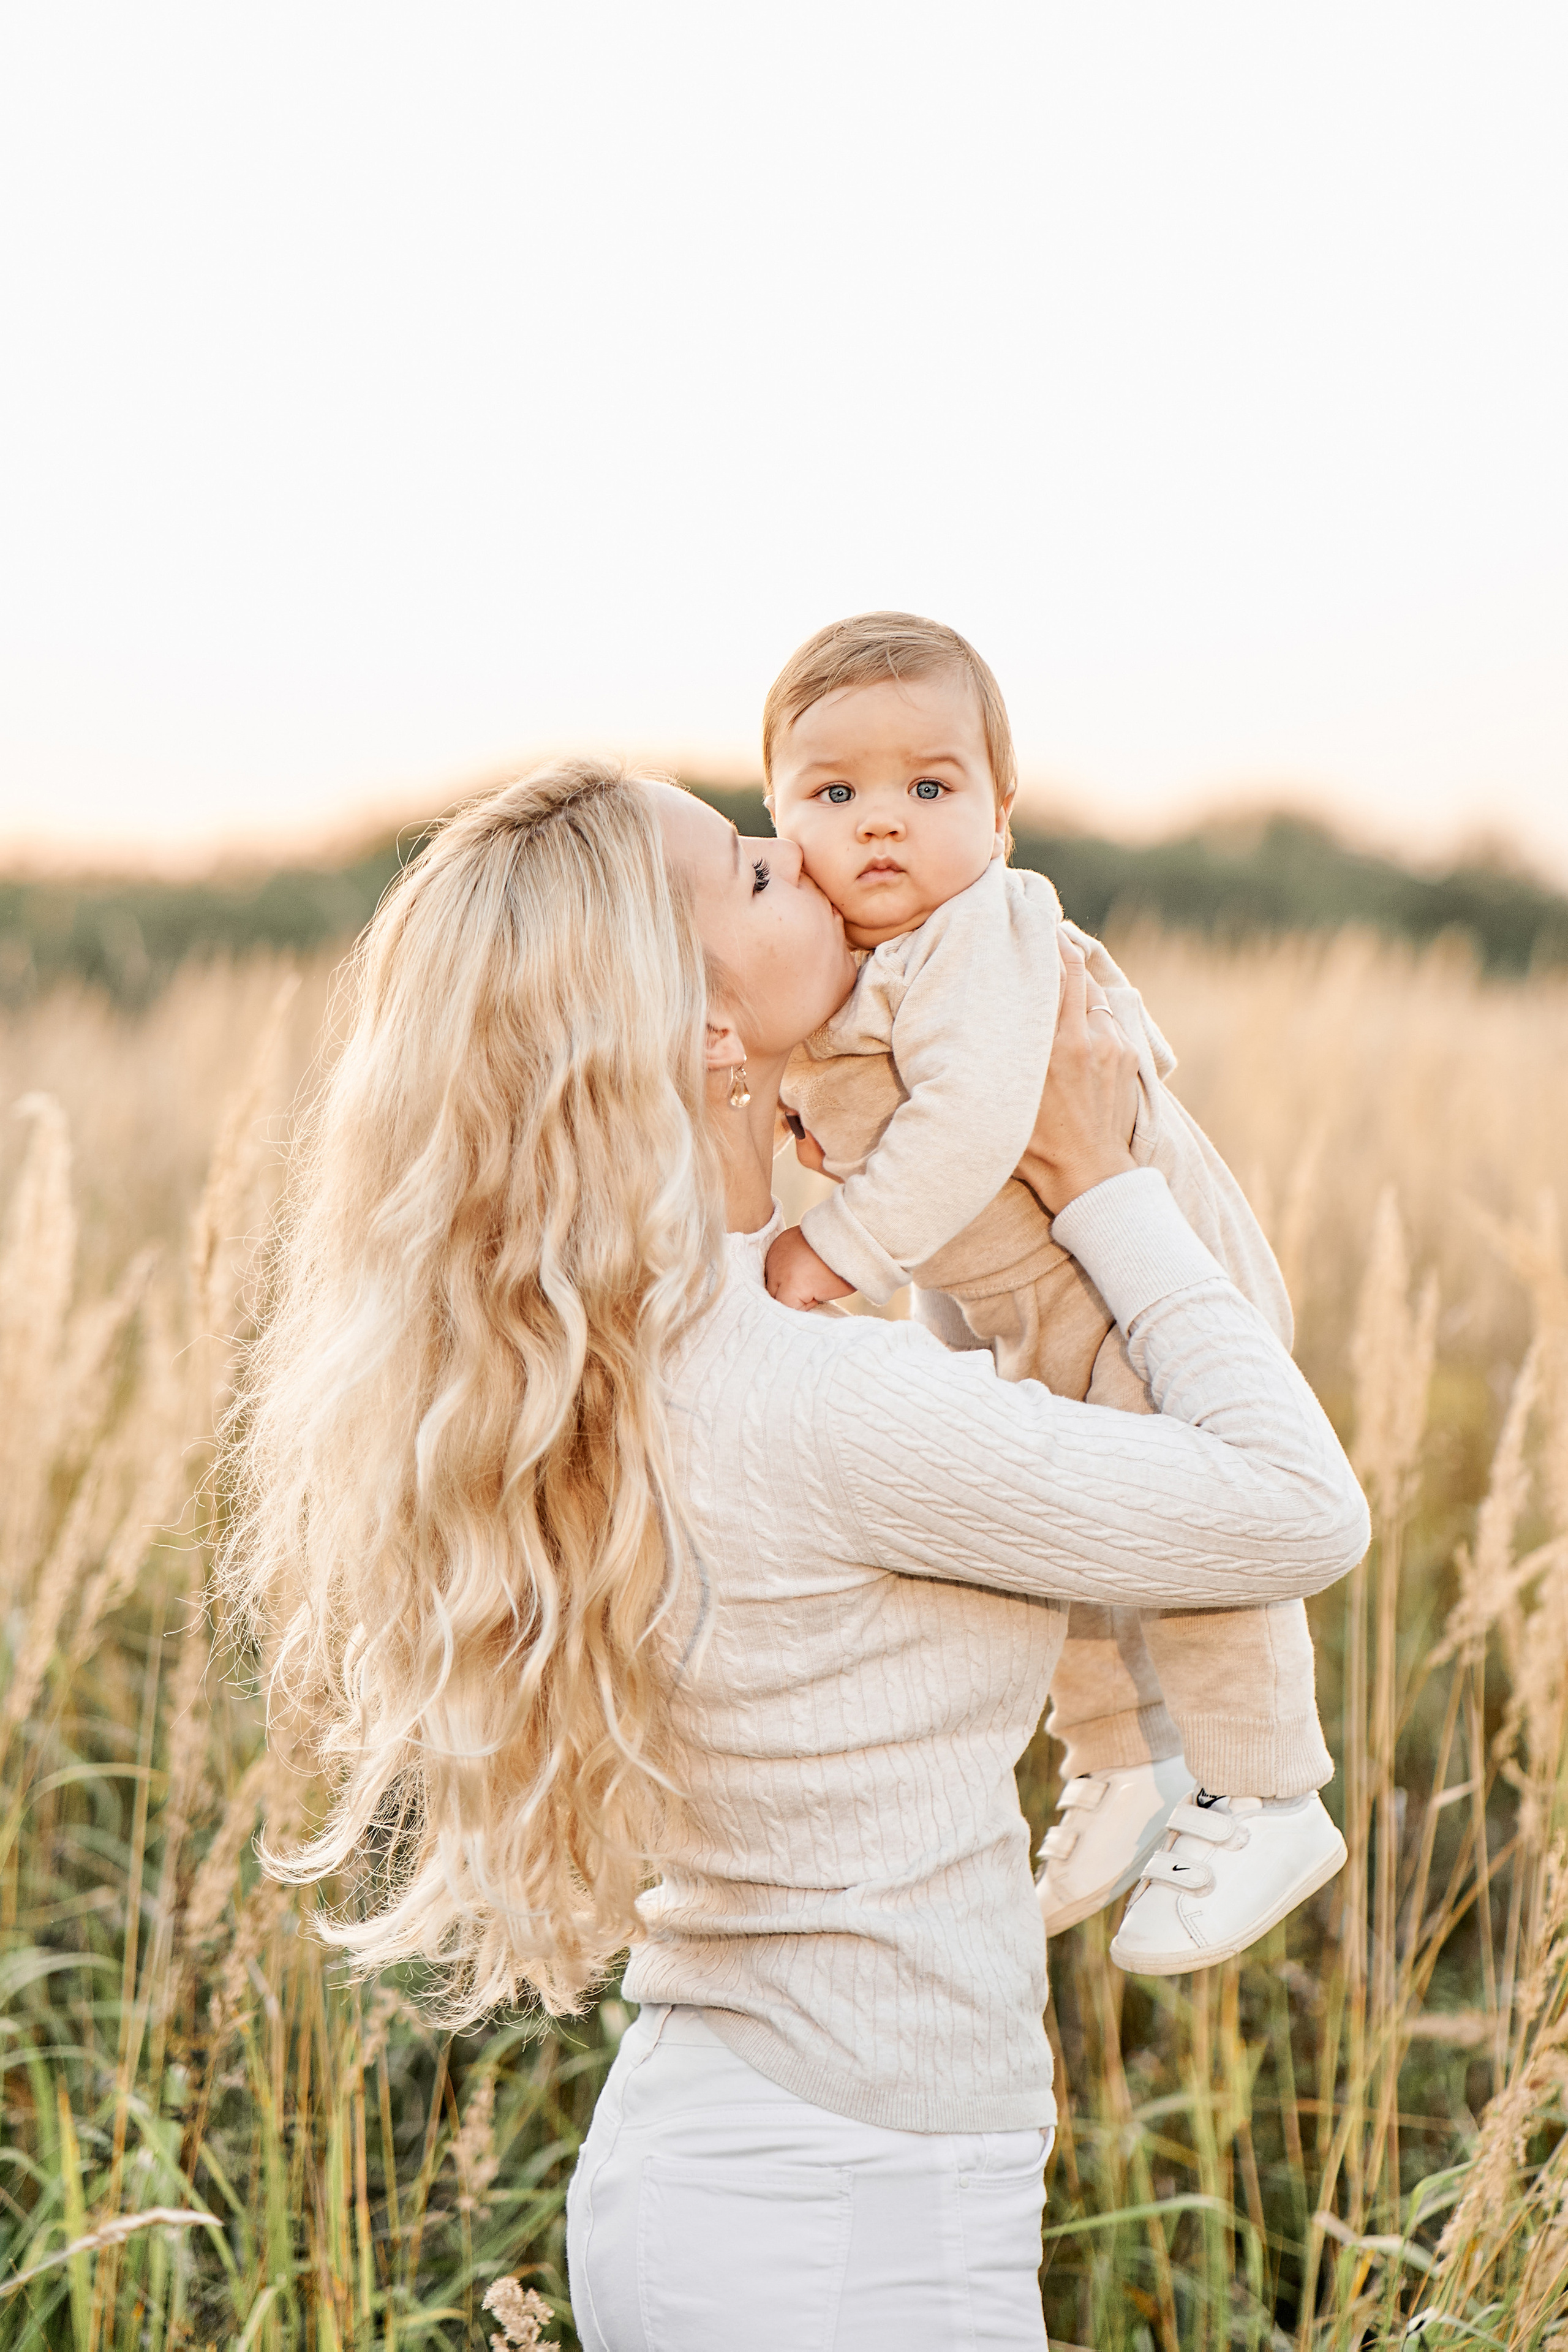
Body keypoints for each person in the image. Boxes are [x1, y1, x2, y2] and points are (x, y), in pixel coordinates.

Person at [222, 758, 1368, 2351]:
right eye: (754, 872)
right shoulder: (812, 1401)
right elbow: (1298, 1507)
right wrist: (1100, 1176)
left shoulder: (658, 1342)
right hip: (832, 2215)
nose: (812, 857)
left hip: (779, 2165)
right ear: (695, 1031)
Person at [761, 612, 1346, 1972]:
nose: (882, 825)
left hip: (1132, 1277)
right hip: (1022, 1300)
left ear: (1001, 816)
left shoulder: (985, 927)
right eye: (833, 794)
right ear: (779, 814)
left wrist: (828, 1243)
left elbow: (970, 1123)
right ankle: (1121, 1760)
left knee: (1201, 1533)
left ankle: (1263, 1793)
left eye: (930, 785)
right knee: (1064, 1528)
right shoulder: (848, 960)